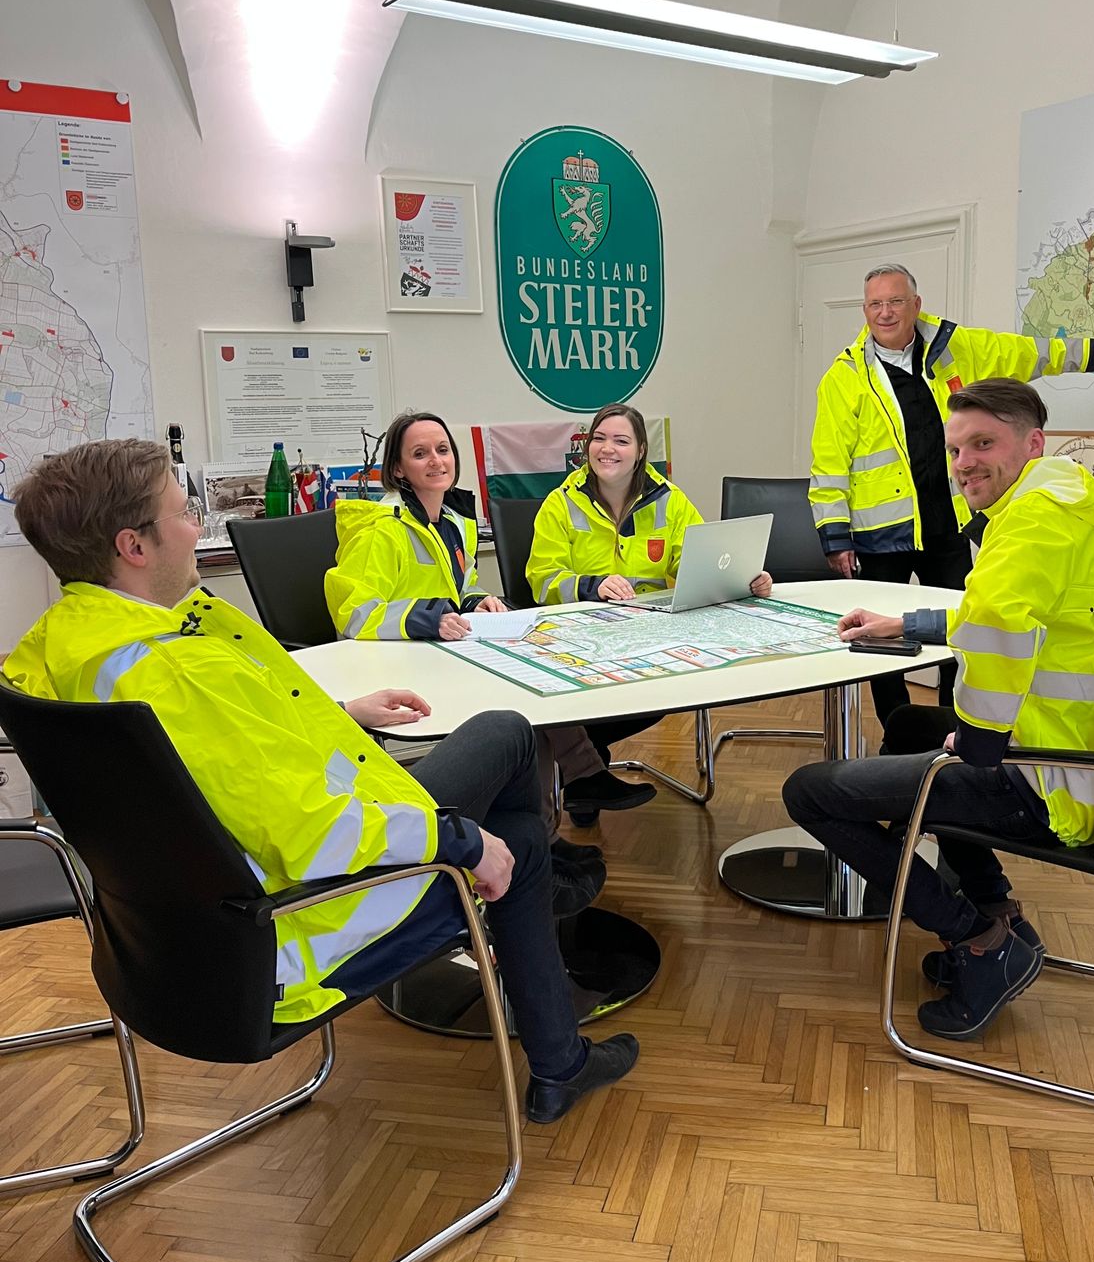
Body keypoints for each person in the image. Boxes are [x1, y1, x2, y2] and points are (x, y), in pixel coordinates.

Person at [4, 439, 639, 1124]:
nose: (195, 525)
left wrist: (343, 714)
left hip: (175, 942)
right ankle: (547, 939)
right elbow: (319, 835)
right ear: (134, 545)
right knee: (510, 777)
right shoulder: (181, 675)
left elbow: (223, 750)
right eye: (182, 512)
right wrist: (461, 842)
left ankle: (557, 1033)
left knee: (509, 789)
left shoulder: (67, 647)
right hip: (305, 919)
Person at [784, 379, 1094, 1042]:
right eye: (956, 448)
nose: (963, 463)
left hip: (1049, 781)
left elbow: (996, 625)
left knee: (809, 793)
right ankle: (997, 911)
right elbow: (1014, 613)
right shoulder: (1066, 503)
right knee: (908, 725)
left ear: (1032, 443)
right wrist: (910, 621)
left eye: (983, 443)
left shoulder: (1029, 522)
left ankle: (980, 941)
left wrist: (978, 739)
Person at [807, 265, 1094, 729]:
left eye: (895, 301)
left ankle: (957, 723)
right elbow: (828, 463)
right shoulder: (844, 377)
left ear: (916, 303)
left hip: (948, 524)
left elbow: (1031, 354)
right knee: (878, 638)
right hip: (879, 531)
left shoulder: (957, 348)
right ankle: (898, 727)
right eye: (875, 304)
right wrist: (835, 537)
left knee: (968, 627)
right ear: (864, 310)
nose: (885, 313)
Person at [323, 410, 656, 891]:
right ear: (398, 470)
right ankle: (569, 798)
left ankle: (553, 822)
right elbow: (352, 612)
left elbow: (459, 590)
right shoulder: (381, 530)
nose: (436, 460)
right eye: (420, 454)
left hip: (447, 652)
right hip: (403, 668)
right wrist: (426, 617)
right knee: (523, 713)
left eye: (442, 450)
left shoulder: (452, 523)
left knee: (538, 679)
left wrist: (480, 602)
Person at [526, 404, 773, 810]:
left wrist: (744, 580)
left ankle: (582, 763)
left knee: (664, 694)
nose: (608, 449)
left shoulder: (670, 501)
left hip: (649, 639)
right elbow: (542, 579)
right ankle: (584, 769)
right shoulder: (560, 503)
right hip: (581, 640)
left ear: (641, 450)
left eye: (621, 441)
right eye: (599, 439)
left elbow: (699, 563)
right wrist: (593, 585)